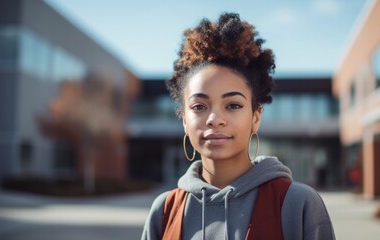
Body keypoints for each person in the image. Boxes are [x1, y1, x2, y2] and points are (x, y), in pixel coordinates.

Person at [141, 12, 335, 240]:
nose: (214, 119)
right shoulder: (164, 211)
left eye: (233, 105)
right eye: (199, 106)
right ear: (184, 119)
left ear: (255, 117)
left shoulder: (297, 204)